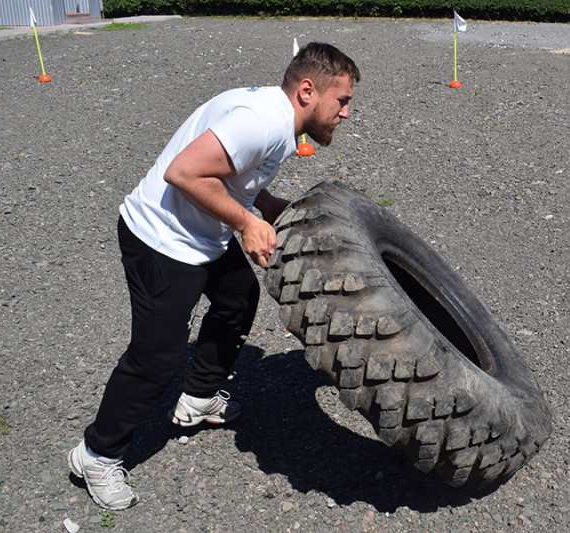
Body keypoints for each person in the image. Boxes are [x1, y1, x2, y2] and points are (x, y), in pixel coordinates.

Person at [66, 42, 360, 511]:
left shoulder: (279, 121)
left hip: (202, 234)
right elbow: (184, 172)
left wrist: (268, 209)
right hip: (161, 240)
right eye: (341, 101)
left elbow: (231, 177)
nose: (345, 113)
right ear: (308, 90)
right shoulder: (261, 122)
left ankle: (199, 397)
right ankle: (96, 454)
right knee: (155, 359)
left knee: (238, 298)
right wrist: (246, 224)